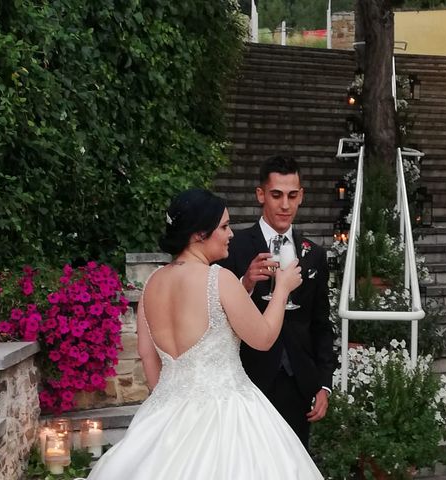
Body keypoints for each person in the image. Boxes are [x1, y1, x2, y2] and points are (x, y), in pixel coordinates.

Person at [87, 188, 323, 479]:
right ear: (200, 234)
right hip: (228, 414)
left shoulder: (152, 283)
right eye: (223, 227)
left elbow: (148, 356)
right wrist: (283, 289)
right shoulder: (218, 278)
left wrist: (168, 398)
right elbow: (263, 338)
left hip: (165, 411)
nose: (230, 234)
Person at [218, 155, 336, 448]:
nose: (285, 205)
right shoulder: (234, 247)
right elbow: (216, 314)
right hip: (248, 380)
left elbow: (321, 324)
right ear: (261, 195)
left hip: (299, 383)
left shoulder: (315, 255)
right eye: (276, 195)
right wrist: (246, 283)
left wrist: (324, 384)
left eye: (292, 195)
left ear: (301, 197)